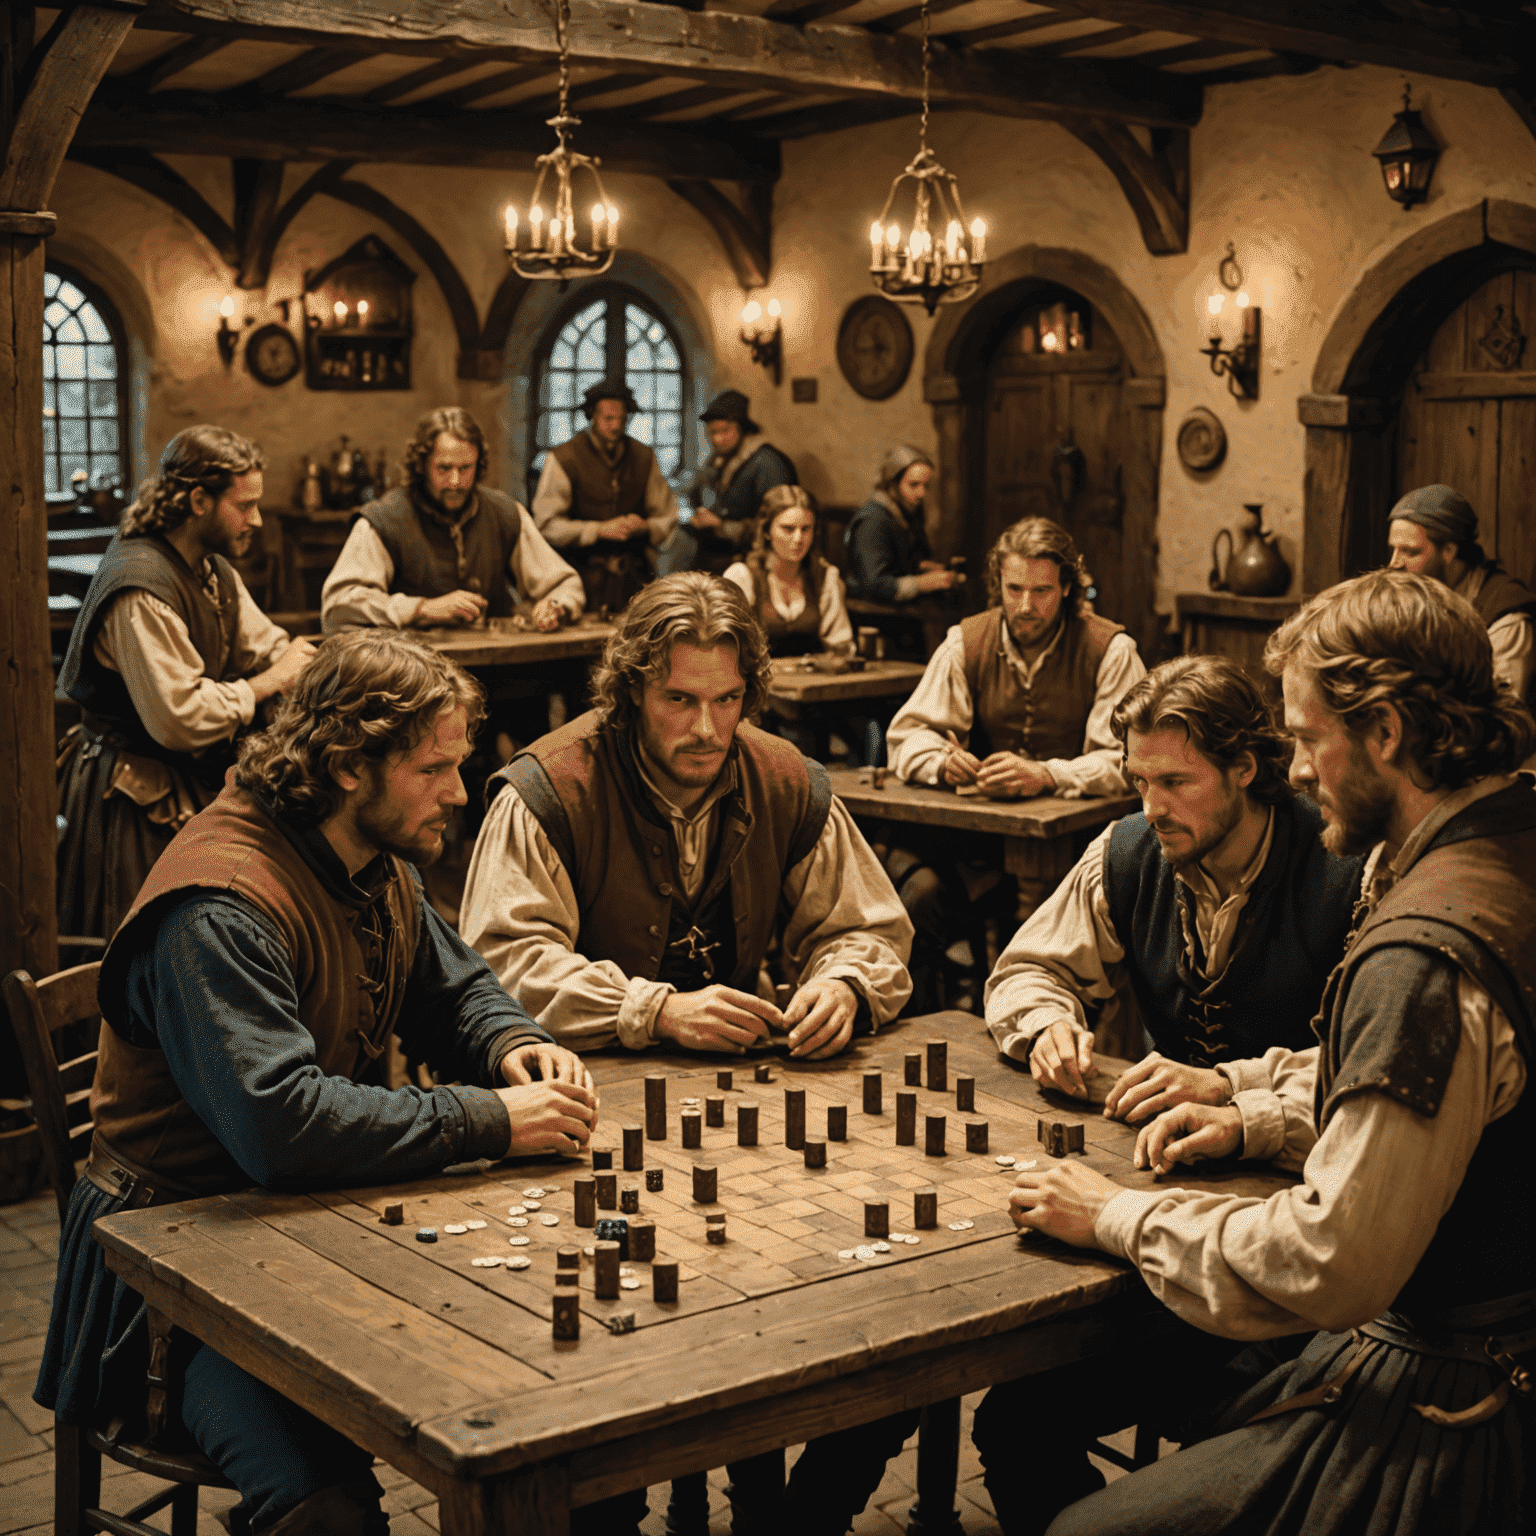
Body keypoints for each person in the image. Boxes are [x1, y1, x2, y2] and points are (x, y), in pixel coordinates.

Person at [35, 629, 600, 1536]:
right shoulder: (220, 907)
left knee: (559, 1388)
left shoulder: (371, 859)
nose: (459, 790)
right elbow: (283, 1128)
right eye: (434, 768)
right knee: (325, 1510)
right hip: (169, 1286)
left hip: (296, 1234)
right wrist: (490, 1119)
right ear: (347, 764)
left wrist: (508, 1047)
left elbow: (454, 987)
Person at [1013, 570, 1536, 1536]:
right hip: (1465, 1340)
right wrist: (1241, 1090)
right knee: (1043, 1414)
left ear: (1384, 731)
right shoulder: (1508, 845)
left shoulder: (1425, 948)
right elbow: (1423, 1085)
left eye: (1304, 739)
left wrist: (1123, 1216)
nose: (1294, 768)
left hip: (1462, 1392)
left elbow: (1335, 1260)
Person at [459, 571, 914, 1536]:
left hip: (737, 1136)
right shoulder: (550, 788)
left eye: (726, 699)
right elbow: (500, 964)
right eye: (679, 700)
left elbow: (870, 926)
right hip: (582, 1126)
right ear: (629, 693)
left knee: (865, 1338)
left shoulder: (785, 779)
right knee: (609, 1384)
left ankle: (777, 1515)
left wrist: (843, 980)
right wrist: (652, 1007)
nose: (707, 728)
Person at [56, 424, 315, 940]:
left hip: (186, 780)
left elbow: (261, 642)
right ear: (199, 500)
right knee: (143, 941)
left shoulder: (212, 569)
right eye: (244, 506)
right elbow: (182, 717)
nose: (257, 520)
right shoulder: (140, 586)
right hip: (129, 793)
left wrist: (295, 662)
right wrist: (268, 683)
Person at [880, 517, 1145, 1005]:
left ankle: (1046, 1016)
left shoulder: (1110, 649)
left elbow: (1128, 761)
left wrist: (1047, 774)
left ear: (1067, 587)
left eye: (1041, 590)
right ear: (997, 586)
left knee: (1061, 918)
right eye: (1014, 588)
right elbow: (907, 735)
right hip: (978, 845)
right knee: (915, 897)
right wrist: (942, 761)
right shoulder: (968, 640)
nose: (1026, 606)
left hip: (1076, 848)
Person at [321, 406, 583, 635]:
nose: (455, 482)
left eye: (465, 468)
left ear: (478, 464)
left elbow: (564, 583)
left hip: (498, 673)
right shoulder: (385, 519)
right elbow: (338, 606)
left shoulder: (503, 512)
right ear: (421, 465)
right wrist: (421, 608)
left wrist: (556, 606)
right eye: (444, 469)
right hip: (414, 677)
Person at [530, 378, 681, 614]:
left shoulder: (644, 457)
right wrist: (597, 530)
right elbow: (546, 525)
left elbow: (667, 516)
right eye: (608, 419)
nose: (615, 427)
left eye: (622, 419)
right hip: (579, 585)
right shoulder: (564, 459)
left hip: (636, 583)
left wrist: (646, 527)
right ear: (592, 416)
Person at [1386, 481, 1536, 703]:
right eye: (1393, 549)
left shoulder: (1505, 619)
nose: (1393, 564)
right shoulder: (1411, 597)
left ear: (1448, 551)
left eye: (1410, 552)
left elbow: (1505, 715)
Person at [673, 389, 797, 572]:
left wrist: (721, 526)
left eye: (724, 431)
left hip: (757, 560)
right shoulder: (719, 459)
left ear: (741, 428)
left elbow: (778, 526)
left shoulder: (768, 464)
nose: (717, 439)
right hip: (722, 552)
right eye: (712, 432)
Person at [722, 484, 853, 657]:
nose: (798, 538)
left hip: (812, 679)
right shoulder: (742, 577)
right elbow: (728, 649)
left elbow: (841, 646)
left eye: (806, 529)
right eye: (788, 529)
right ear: (767, 531)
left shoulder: (824, 577)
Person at [844, 445, 961, 604]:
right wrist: (922, 583)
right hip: (872, 612)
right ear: (893, 485)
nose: (922, 493)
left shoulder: (909, 510)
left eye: (925, 486)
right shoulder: (873, 520)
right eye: (914, 485)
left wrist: (921, 567)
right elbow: (874, 584)